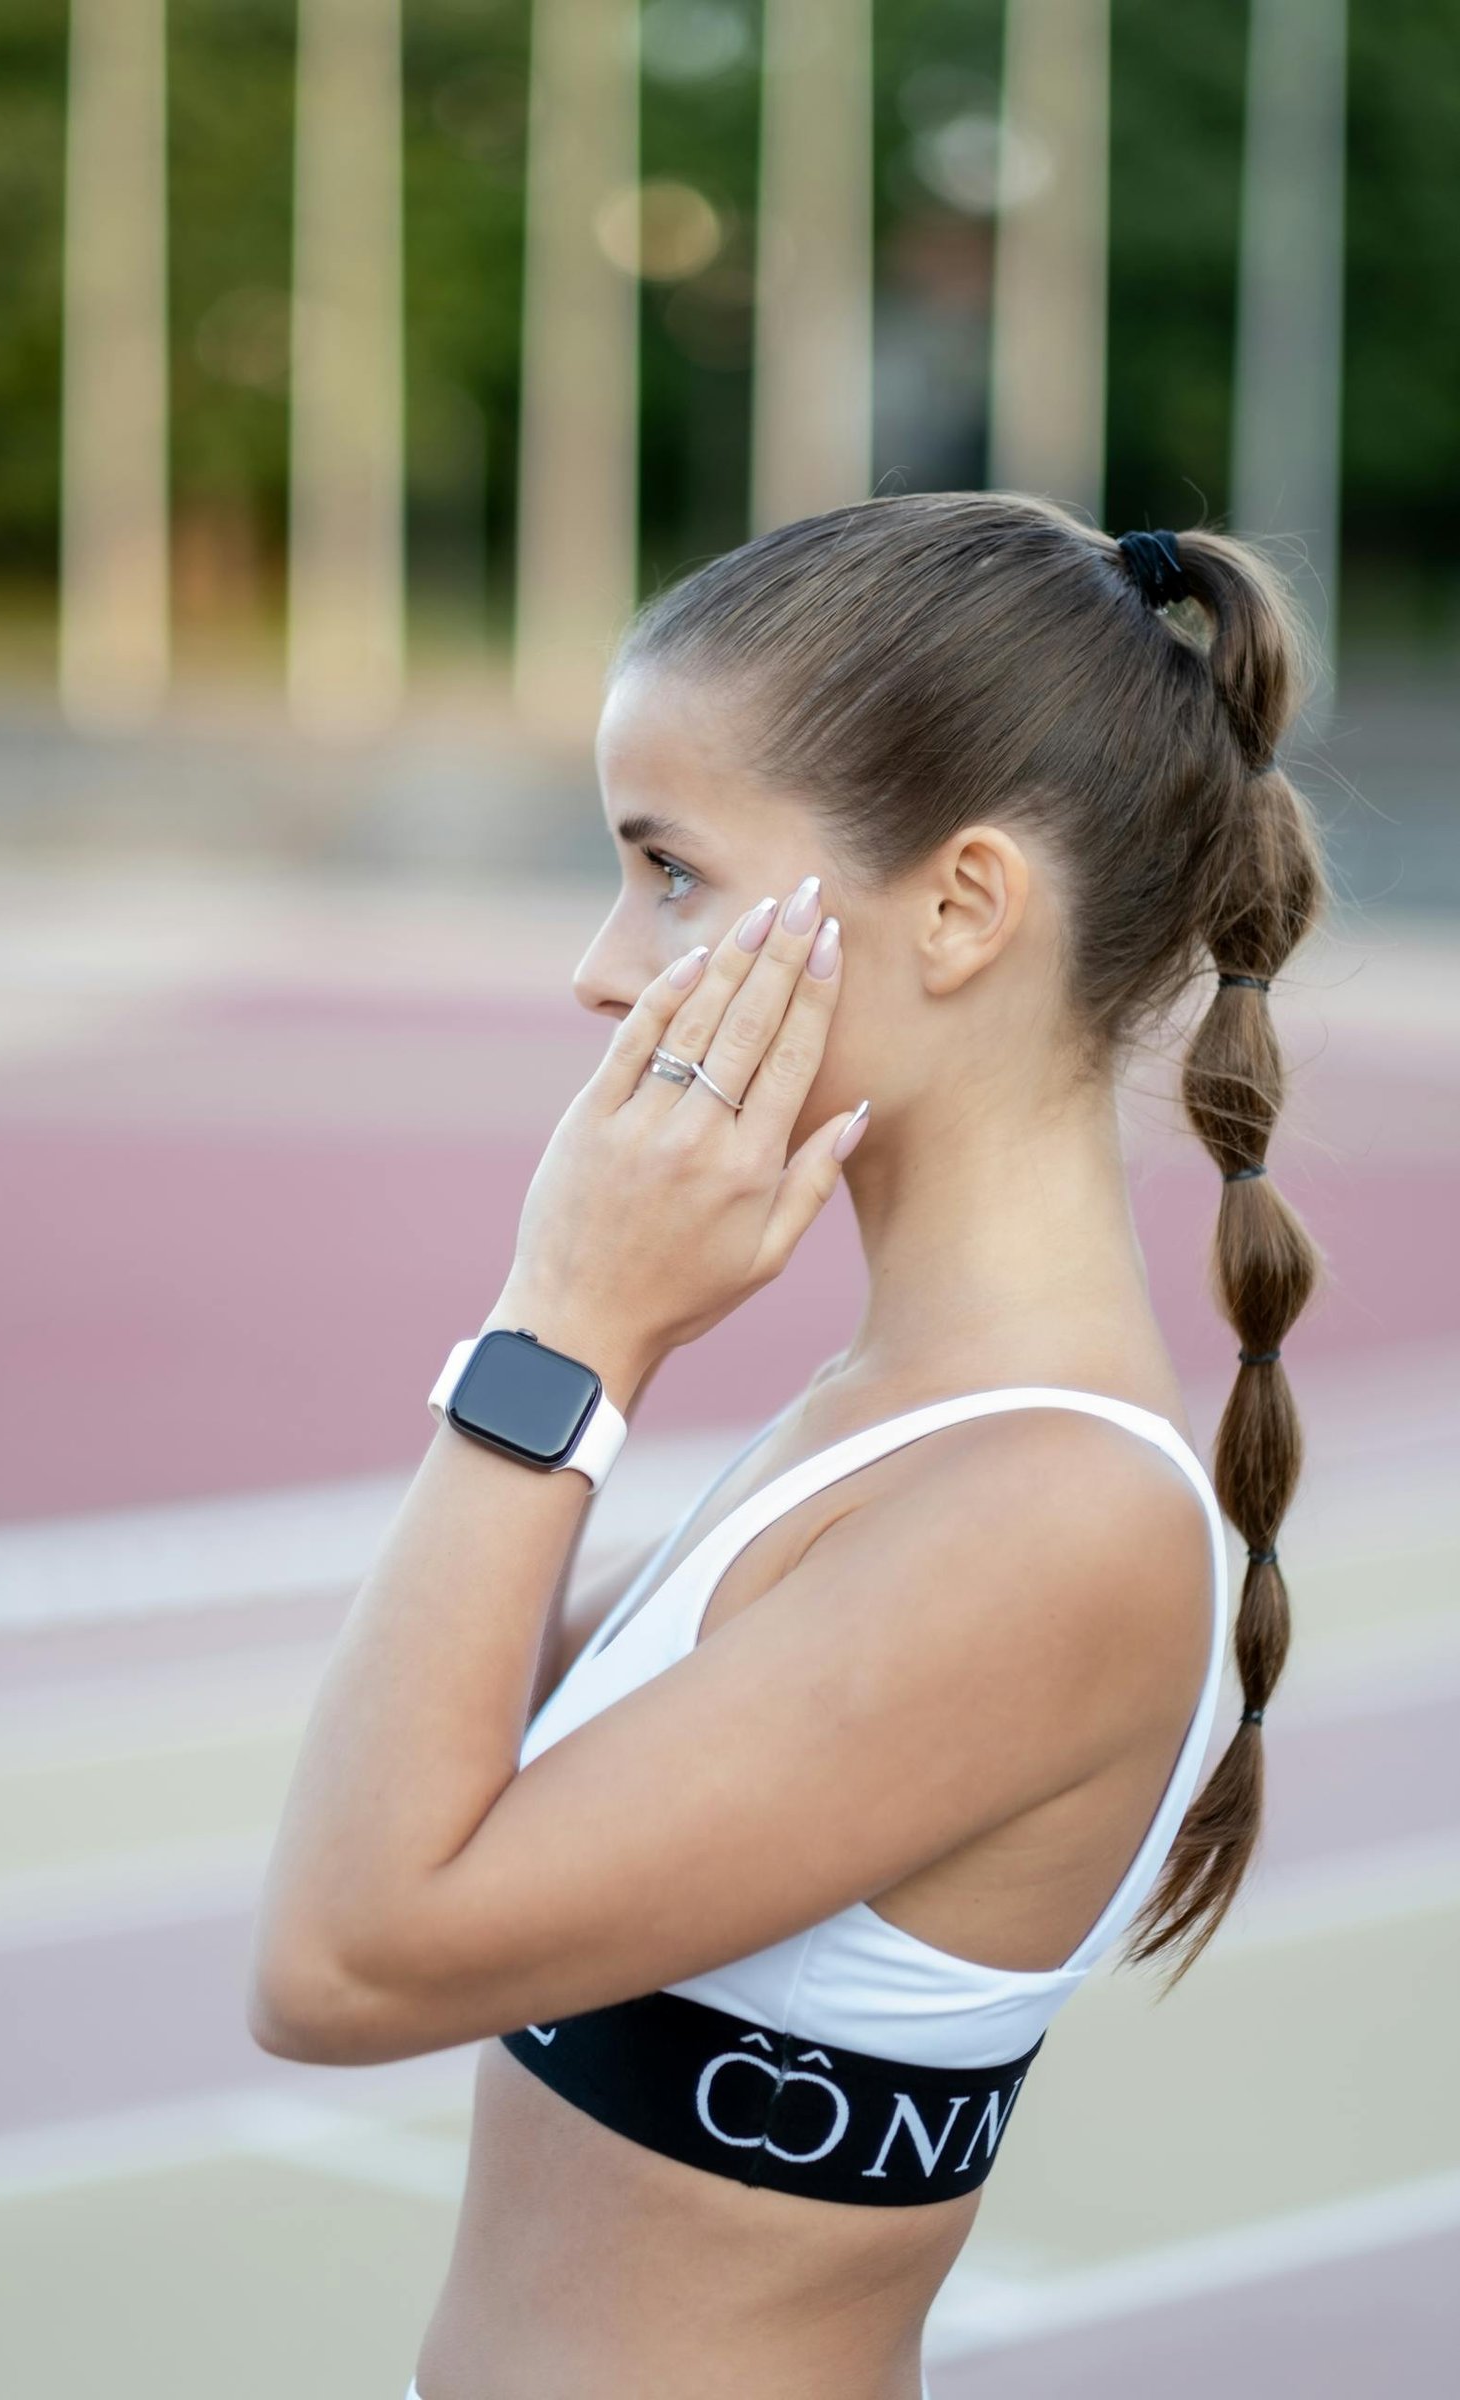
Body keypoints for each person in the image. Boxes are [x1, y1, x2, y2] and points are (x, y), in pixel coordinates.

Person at [248, 491, 1330, 2400]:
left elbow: (345, 1962)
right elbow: (413, 1774)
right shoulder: (873, 1423)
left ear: (964, 906)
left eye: (668, 869)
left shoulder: (1048, 1516)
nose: (605, 967)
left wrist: (563, 1332)